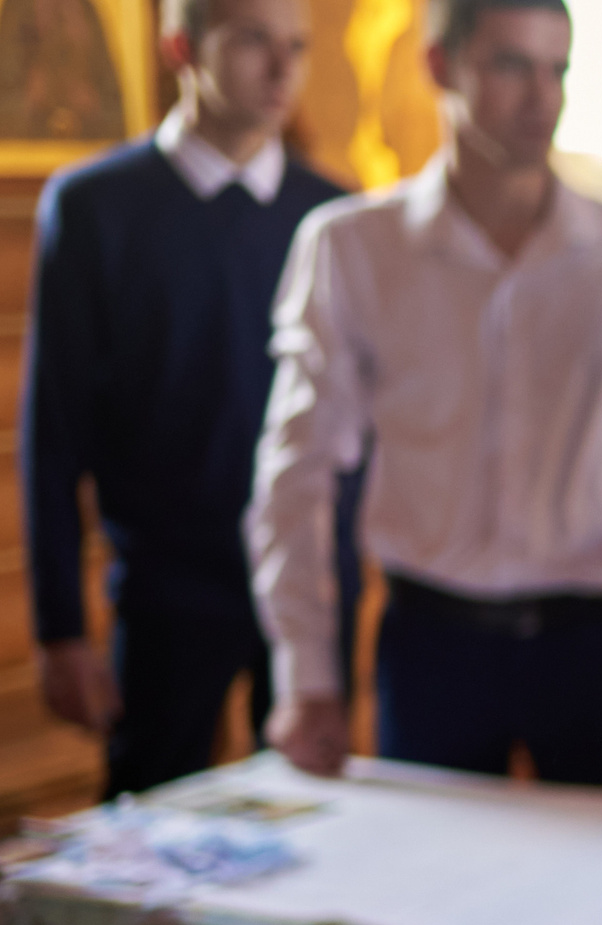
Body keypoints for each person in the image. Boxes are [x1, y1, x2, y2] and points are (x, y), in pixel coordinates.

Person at [249, 0, 602, 786]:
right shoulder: (351, 247)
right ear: (440, 66)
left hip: (596, 648)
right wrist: (305, 674)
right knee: (428, 898)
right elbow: (296, 473)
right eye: (511, 64)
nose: (541, 98)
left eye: (559, 70)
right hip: (431, 646)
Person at [20, 0, 354, 799]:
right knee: (150, 820)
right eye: (252, 43)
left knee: (318, 825)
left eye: (296, 47)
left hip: (306, 590)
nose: (282, 70)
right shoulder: (94, 205)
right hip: (165, 590)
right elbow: (53, 431)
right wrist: (60, 629)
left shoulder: (336, 214)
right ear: (181, 47)